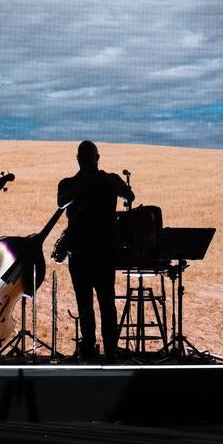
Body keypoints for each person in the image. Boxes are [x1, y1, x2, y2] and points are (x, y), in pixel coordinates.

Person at [56, 140, 134, 362]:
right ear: (80, 159)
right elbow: (61, 202)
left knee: (105, 302)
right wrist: (90, 181)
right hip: (81, 252)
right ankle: (90, 347)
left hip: (101, 252)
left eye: (90, 157)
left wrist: (100, 180)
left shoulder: (108, 180)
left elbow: (129, 196)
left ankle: (110, 349)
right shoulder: (68, 183)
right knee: (86, 305)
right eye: (86, 157)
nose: (88, 161)